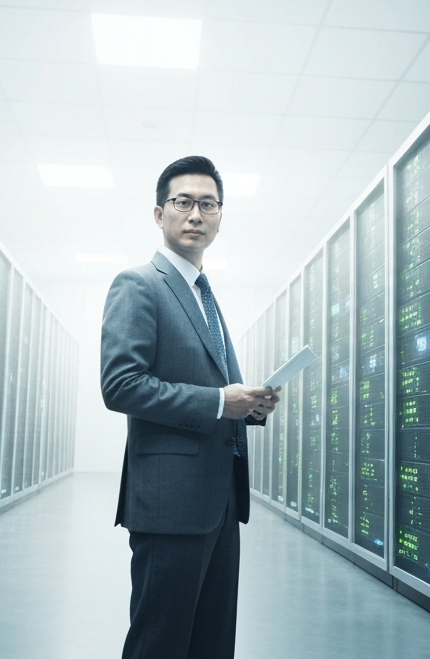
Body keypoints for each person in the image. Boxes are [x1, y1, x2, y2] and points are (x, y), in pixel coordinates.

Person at [101, 155, 280, 659]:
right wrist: (221, 402)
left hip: (219, 500)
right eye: (183, 202)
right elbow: (121, 385)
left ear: (220, 215)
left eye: (208, 204)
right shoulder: (139, 285)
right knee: (160, 642)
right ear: (160, 214)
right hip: (170, 505)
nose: (196, 214)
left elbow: (213, 385)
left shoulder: (204, 292)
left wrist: (250, 405)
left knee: (211, 643)